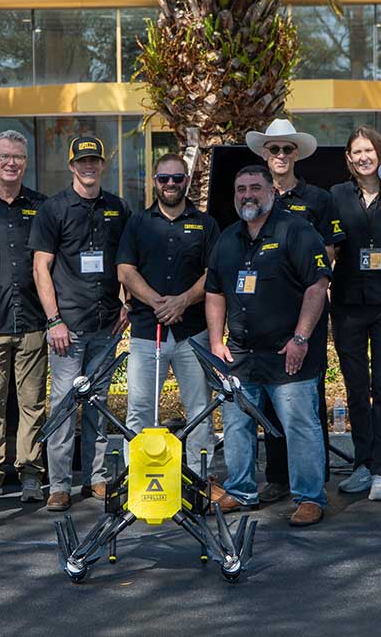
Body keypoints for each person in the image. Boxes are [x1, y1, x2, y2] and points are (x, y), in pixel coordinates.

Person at [205, 165, 331, 527]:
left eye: (256, 188)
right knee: (237, 424)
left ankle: (309, 497)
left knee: (300, 426)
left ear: (271, 192)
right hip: (241, 354)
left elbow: (316, 286)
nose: (248, 194)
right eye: (241, 188)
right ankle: (241, 489)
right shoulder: (227, 239)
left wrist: (301, 338)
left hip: (288, 353)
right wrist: (216, 340)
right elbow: (214, 291)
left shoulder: (297, 231)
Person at [30, 136, 131, 512]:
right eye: (82, 161)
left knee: (98, 405)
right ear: (72, 166)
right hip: (66, 329)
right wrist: (53, 319)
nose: (89, 166)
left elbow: (128, 261)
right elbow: (41, 267)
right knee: (63, 404)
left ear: (102, 164)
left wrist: (128, 303)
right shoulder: (53, 209)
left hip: (107, 325)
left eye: (94, 160)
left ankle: (98, 478)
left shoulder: (118, 208)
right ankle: (59, 485)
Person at [244, 118, 343, 504]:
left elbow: (331, 253)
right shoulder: (253, 197)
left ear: (296, 153)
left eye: (287, 149)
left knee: (307, 398)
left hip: (306, 315)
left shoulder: (318, 199)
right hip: (264, 317)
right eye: (274, 149)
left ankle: (312, 481)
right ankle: (279, 478)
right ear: (264, 155)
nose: (281, 155)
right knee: (269, 400)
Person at [116, 153, 219, 472]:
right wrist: (159, 303)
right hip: (149, 331)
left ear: (187, 181)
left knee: (199, 408)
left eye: (177, 178)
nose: (171, 184)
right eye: (164, 178)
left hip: (193, 333)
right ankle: (139, 478)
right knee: (140, 409)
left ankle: (200, 480)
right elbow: (125, 270)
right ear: (154, 182)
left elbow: (214, 272)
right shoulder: (138, 223)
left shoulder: (205, 223)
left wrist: (183, 300)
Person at [0, 130, 50, 506]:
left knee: (33, 403)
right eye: (5, 156)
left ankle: (31, 472)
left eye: (18, 157)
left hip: (33, 320)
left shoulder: (42, 206)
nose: (12, 163)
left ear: (26, 162)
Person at [327, 127, 381, 500]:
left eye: (368, 150)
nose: (362, 157)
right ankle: (362, 463)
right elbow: (324, 246)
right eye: (356, 152)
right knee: (356, 388)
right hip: (347, 306)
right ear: (348, 158)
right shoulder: (336, 196)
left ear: (380, 153)